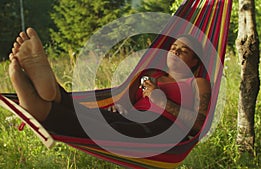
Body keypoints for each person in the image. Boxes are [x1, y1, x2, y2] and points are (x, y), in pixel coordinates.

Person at [9, 28, 211, 140]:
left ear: (194, 62)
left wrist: (162, 101)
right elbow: (133, 103)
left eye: (183, 51)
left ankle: (43, 107)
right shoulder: (154, 76)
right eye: (173, 47)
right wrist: (126, 108)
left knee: (108, 130)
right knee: (98, 118)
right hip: (132, 120)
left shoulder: (198, 82)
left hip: (164, 131)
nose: (174, 51)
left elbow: (198, 125)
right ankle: (52, 94)